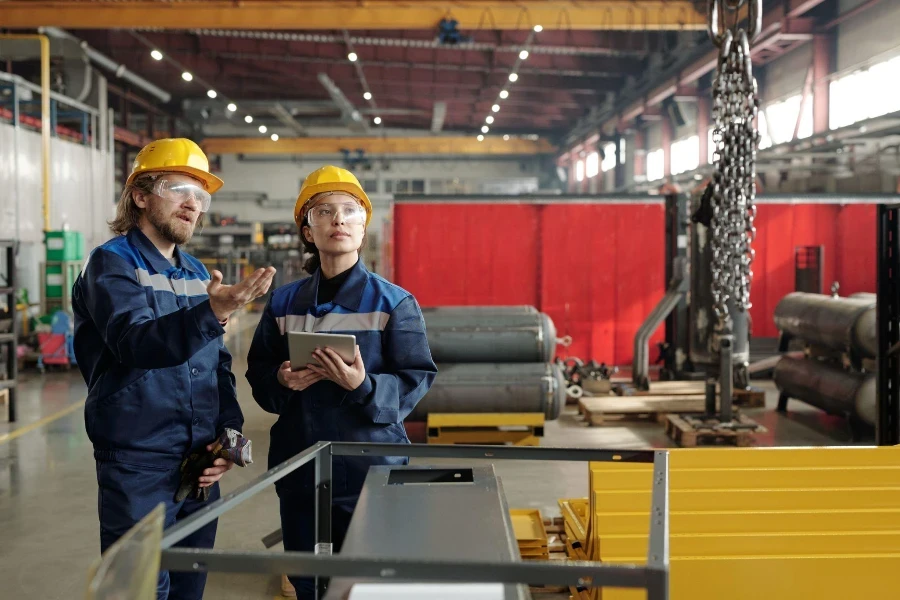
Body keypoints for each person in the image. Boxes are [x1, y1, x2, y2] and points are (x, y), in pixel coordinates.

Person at [72, 138, 276, 600]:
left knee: (189, 587)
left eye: (200, 195)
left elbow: (217, 366)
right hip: (138, 462)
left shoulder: (196, 273)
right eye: (178, 187)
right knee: (140, 588)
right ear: (140, 195)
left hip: (200, 462)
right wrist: (211, 314)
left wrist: (229, 440)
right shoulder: (111, 264)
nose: (193, 204)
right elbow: (134, 342)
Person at [246, 165, 437, 599]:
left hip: (370, 463)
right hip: (300, 462)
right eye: (325, 212)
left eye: (351, 211)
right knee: (307, 578)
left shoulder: (394, 303)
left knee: (369, 580)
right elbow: (259, 372)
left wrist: (362, 385)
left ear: (363, 227)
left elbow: (417, 379)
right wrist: (280, 378)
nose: (339, 220)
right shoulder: (283, 302)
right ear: (308, 231)